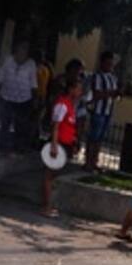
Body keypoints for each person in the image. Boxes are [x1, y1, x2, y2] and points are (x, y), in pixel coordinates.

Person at [41, 76, 83, 217]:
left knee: (54, 176)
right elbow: (56, 126)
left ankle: (49, 205)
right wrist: (54, 146)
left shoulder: (70, 105)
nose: (80, 92)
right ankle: (46, 207)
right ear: (71, 89)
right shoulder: (62, 104)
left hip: (66, 144)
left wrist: (74, 141)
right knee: (49, 176)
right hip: (58, 144)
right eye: (78, 89)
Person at [0, 42, 38, 151]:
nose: (22, 54)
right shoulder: (8, 60)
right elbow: (1, 78)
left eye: (25, 51)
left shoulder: (31, 64)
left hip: (24, 100)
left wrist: (35, 100)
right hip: (6, 97)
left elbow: (33, 83)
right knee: (5, 123)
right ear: (16, 51)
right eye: (20, 50)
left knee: (20, 125)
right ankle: (2, 146)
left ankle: (17, 147)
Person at [84, 51, 121, 170]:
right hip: (97, 111)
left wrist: (118, 93)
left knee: (100, 139)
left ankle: (94, 162)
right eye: (108, 63)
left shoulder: (113, 78)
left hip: (108, 111)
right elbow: (96, 94)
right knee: (93, 137)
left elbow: (115, 95)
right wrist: (111, 93)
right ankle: (88, 162)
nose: (110, 66)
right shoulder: (96, 77)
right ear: (102, 63)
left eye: (111, 64)